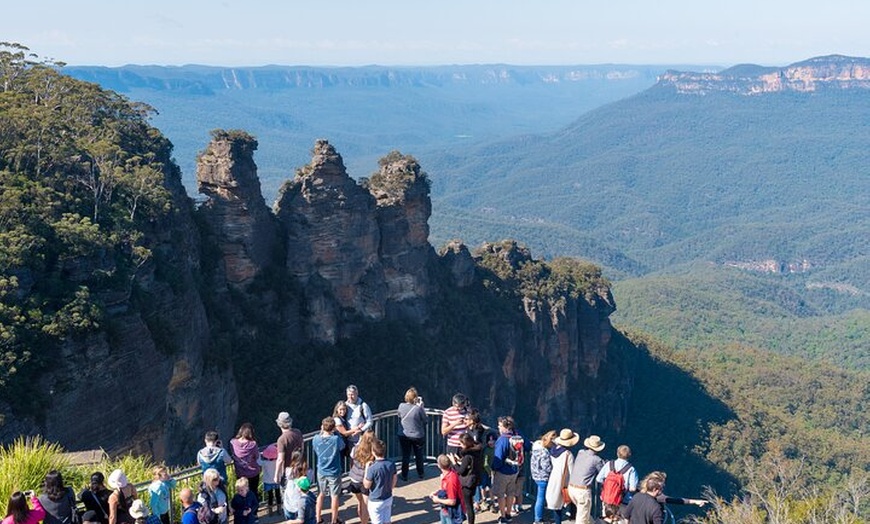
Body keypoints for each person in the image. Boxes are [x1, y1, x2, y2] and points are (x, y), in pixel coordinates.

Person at [313, 417, 345, 524]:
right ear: (333, 428)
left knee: (320, 494)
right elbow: (342, 446)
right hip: (334, 471)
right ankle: (334, 520)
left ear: (322, 426)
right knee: (334, 496)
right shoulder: (335, 439)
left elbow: (315, 448)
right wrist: (336, 433)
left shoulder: (316, 438)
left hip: (321, 470)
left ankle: (318, 518)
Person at [568, 435, 605, 524]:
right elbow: (602, 472)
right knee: (582, 519)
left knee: (585, 513)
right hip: (582, 492)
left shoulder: (580, 452)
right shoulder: (596, 459)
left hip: (571, 488)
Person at [491, 416, 522, 524]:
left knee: (500, 494)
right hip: (515, 470)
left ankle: (503, 516)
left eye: (499, 425)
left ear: (504, 427)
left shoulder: (502, 440)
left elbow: (498, 457)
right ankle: (509, 514)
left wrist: (494, 468)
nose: (498, 427)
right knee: (510, 493)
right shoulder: (517, 436)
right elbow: (526, 446)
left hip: (502, 471)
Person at [545, 429, 578, 524]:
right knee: (564, 503)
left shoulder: (553, 450)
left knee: (556, 506)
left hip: (553, 478)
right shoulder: (568, 454)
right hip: (563, 481)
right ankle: (571, 517)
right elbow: (571, 471)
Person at [397, 387, 427, 481]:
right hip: (417, 436)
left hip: (404, 435)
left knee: (406, 455)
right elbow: (426, 420)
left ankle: (404, 475)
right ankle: (421, 473)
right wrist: (421, 407)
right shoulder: (418, 409)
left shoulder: (401, 406)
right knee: (419, 455)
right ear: (415, 398)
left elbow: (399, 415)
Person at [363, 439, 397, 524]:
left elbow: (366, 485)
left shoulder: (372, 468)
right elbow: (394, 479)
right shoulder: (391, 463)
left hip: (375, 500)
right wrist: (390, 488)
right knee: (387, 521)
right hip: (388, 497)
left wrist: (367, 469)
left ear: (373, 452)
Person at [595, 444, 638, 512]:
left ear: (617, 453)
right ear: (629, 455)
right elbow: (632, 489)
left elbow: (598, 479)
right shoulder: (631, 469)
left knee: (606, 520)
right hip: (622, 501)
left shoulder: (609, 464)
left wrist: (609, 486)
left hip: (607, 499)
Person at [450, 433, 480, 524]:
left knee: (468, 506)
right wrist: (460, 461)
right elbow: (469, 466)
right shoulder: (476, 451)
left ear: (465, 444)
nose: (460, 445)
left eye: (461, 444)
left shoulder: (467, 456)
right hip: (474, 480)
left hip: (467, 483)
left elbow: (460, 471)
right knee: (469, 503)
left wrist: (454, 462)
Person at [230, 423, 261, 503]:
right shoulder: (253, 444)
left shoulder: (233, 443)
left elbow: (233, 454)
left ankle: (243, 510)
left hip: (240, 473)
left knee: (241, 493)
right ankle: (254, 512)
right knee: (253, 492)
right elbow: (257, 457)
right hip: (253, 472)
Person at [348, 431, 373, 524]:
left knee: (360, 501)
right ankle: (364, 522)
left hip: (354, 479)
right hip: (364, 480)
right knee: (365, 505)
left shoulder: (355, 449)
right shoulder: (372, 453)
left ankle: (361, 516)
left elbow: (352, 461)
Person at [530, 430, 555, 524]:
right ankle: (538, 519)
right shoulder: (544, 452)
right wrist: (553, 469)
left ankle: (539, 518)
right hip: (543, 478)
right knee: (541, 498)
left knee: (540, 497)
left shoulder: (536, 449)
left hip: (536, 476)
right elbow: (546, 467)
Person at [430, 454, 463, 524]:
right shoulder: (447, 475)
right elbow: (444, 489)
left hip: (452, 512)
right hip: (445, 509)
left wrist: (437, 500)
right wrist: (436, 492)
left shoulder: (450, 480)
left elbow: (452, 501)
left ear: (438, 466)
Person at [274, 412, 304, 484]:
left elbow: (280, 459)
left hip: (288, 470)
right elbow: (302, 448)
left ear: (279, 424)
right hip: (299, 467)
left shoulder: (281, 439)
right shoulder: (298, 432)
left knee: (287, 492)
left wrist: (276, 475)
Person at [260, 444, 281, 514]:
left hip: (268, 481)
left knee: (270, 495)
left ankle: (270, 510)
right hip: (276, 480)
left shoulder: (265, 462)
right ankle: (279, 508)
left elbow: (258, 462)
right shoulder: (277, 462)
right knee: (278, 494)